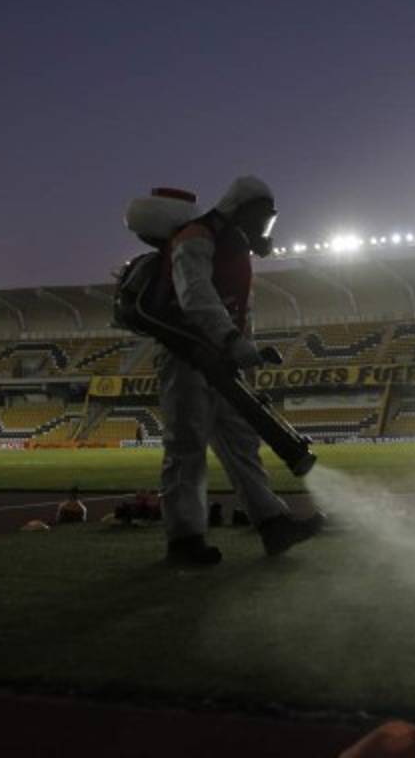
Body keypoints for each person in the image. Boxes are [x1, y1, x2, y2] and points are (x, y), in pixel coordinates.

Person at [153, 176, 323, 565]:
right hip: (185, 354)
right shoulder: (196, 238)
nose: (264, 230)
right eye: (260, 219)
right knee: (187, 446)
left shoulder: (234, 249)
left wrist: (245, 348)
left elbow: (235, 309)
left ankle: (274, 524)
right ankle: (185, 541)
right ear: (238, 209)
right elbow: (196, 298)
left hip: (219, 357)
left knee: (241, 441)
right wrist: (232, 342)